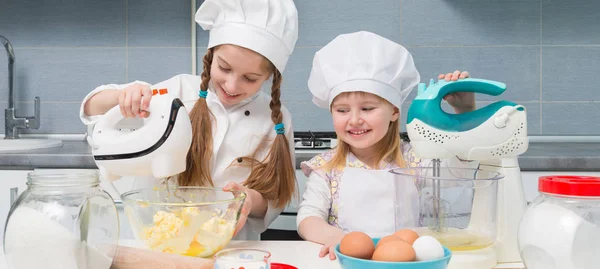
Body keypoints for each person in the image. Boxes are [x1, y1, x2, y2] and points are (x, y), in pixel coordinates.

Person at [80, 0, 299, 241]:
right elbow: (92, 107)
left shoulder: (275, 120)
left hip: (233, 248)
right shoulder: (177, 92)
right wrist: (124, 96)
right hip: (160, 240)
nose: (232, 85)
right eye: (224, 68)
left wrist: (249, 199)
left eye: (250, 78)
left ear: (270, 77)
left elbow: (274, 200)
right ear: (211, 56)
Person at [296, 31, 479, 259]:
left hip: (407, 263)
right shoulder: (327, 167)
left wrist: (465, 112)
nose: (354, 120)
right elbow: (307, 218)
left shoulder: (414, 159)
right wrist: (336, 238)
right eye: (342, 110)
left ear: (394, 111)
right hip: (347, 262)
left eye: (367, 108)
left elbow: (460, 172)